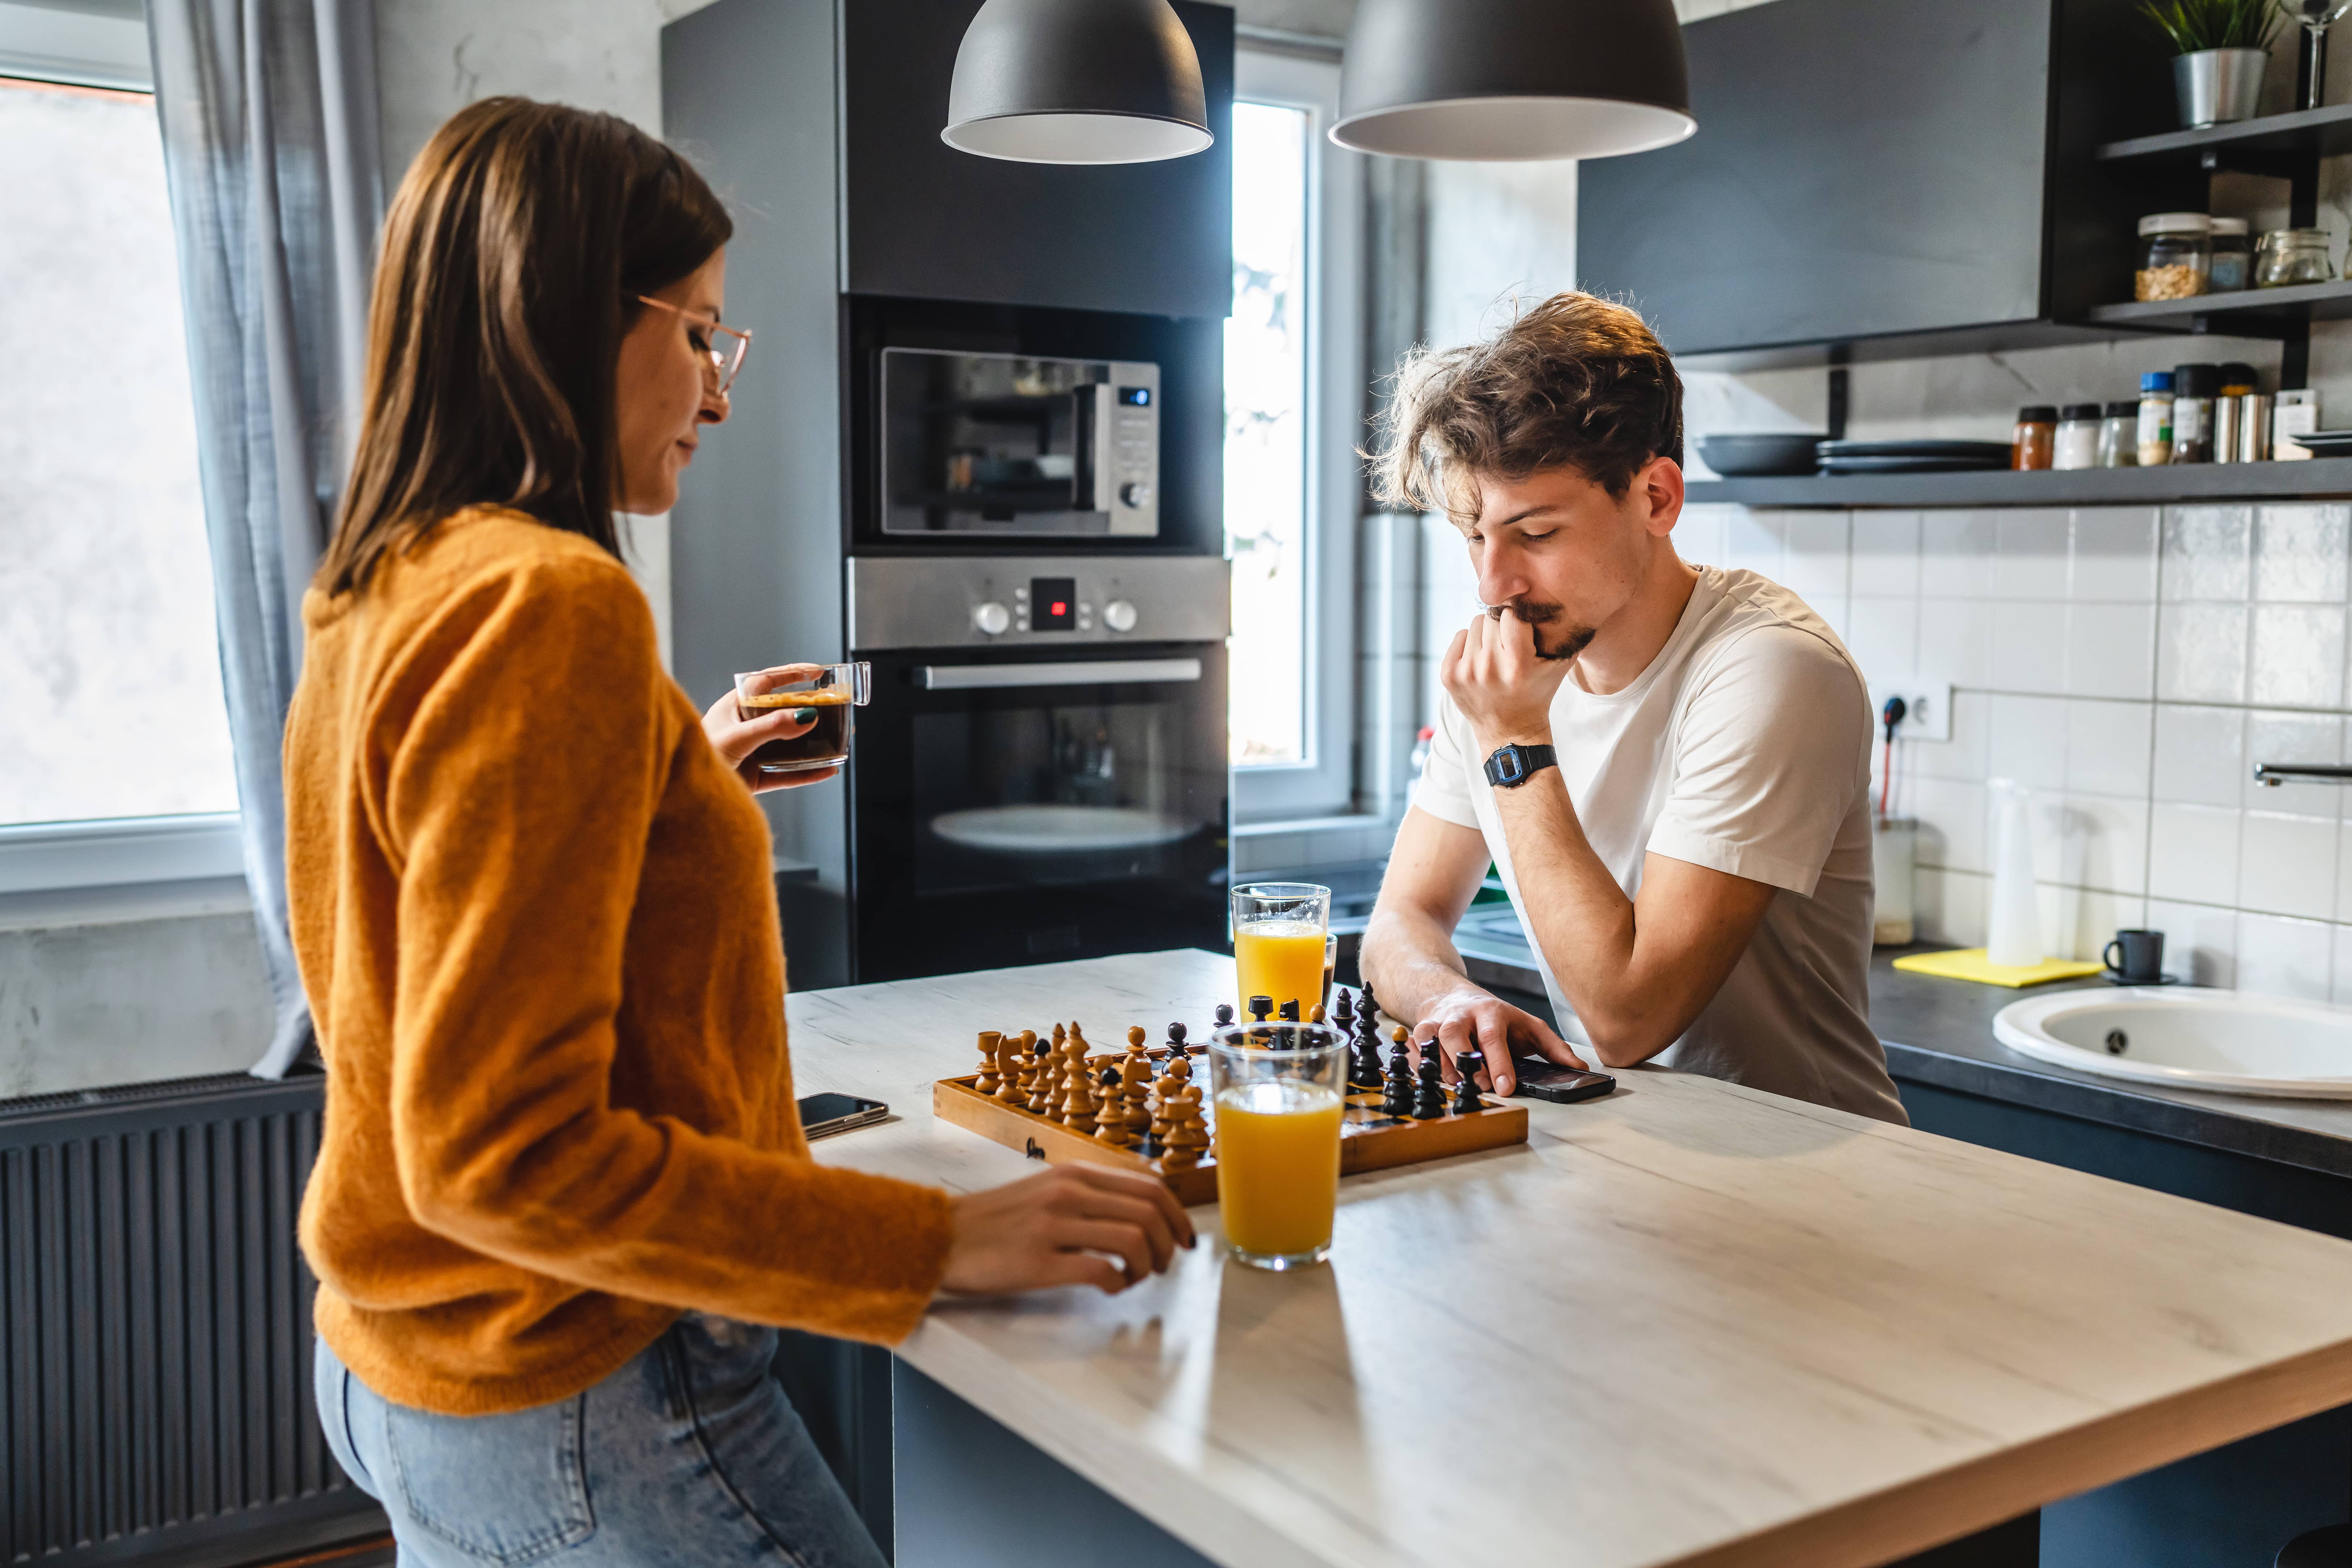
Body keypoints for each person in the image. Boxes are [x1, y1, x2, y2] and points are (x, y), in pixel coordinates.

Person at [288, 98, 1192, 1568]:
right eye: (699, 332)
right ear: (574, 316)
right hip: (586, 1386)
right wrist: (932, 1241)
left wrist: (665, 783)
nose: (717, 392)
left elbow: (415, 925)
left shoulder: (387, 580)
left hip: (409, 1362)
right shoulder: (550, 603)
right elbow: (496, 1155)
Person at [1358, 293, 1905, 1125]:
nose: (1491, 584)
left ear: (1655, 498)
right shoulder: (1512, 673)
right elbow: (1401, 919)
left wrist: (1514, 741)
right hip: (1623, 1160)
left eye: (1534, 535)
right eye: (1474, 534)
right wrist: (1444, 997)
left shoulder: (1771, 669)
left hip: (1805, 1182)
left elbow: (1628, 1016)